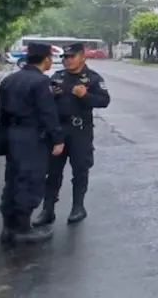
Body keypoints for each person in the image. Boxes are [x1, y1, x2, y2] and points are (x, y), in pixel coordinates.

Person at [33, 43, 110, 227]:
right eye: (65, 57)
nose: (67, 61)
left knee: (80, 169)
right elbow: (44, 102)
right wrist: (53, 95)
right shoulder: (57, 77)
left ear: (82, 56)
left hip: (79, 130)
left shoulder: (92, 78)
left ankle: (78, 207)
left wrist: (85, 96)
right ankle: (48, 210)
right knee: (52, 171)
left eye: (71, 57)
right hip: (58, 130)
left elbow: (104, 101)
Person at [0, 42, 64, 245]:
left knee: (13, 179)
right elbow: (48, 113)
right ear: (46, 59)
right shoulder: (41, 82)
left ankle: (8, 228)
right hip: (32, 137)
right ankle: (22, 230)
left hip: (12, 135)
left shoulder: (10, 79)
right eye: (51, 58)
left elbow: (1, 113)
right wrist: (58, 139)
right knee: (30, 180)